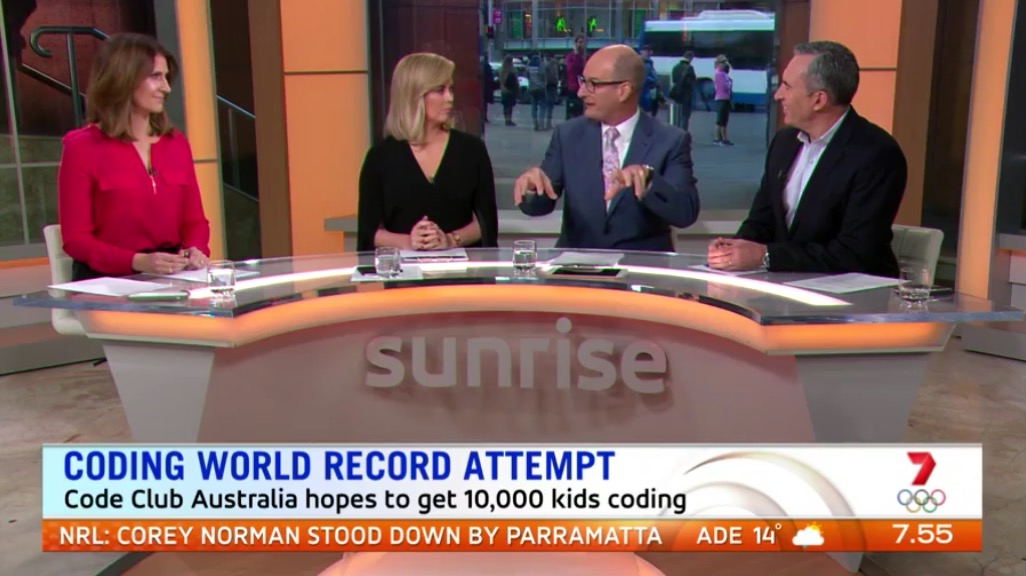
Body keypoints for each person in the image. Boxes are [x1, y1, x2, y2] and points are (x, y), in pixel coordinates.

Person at [707, 41, 907, 276]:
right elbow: (762, 220)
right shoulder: (784, 142)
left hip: (852, 290)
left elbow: (854, 253)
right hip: (786, 283)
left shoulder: (876, 154)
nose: (778, 95)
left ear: (818, 100)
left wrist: (766, 256)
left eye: (787, 86)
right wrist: (733, 249)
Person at [513, 45, 699, 252]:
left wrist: (648, 181)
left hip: (641, 265)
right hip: (578, 264)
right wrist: (531, 189)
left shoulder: (670, 141)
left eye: (592, 84)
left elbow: (685, 214)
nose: (581, 92)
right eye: (583, 82)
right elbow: (540, 205)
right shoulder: (567, 135)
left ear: (623, 90)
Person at [58, 33, 210, 280]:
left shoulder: (176, 144)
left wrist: (196, 248)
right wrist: (137, 262)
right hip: (106, 281)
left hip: (170, 276)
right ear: (124, 79)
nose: (166, 88)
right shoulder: (82, 147)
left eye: (166, 77)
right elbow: (76, 240)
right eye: (155, 76)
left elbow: (195, 222)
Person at [357, 53, 498, 252]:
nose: (450, 98)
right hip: (403, 269)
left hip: (461, 269)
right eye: (440, 90)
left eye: (451, 89)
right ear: (414, 95)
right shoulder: (380, 158)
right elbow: (368, 232)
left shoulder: (471, 150)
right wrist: (408, 241)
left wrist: (450, 240)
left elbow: (487, 223)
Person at [669, 51, 696, 132]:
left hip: (677, 94)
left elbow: (674, 80)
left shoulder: (675, 67)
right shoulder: (690, 68)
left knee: (677, 114)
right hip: (686, 94)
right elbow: (692, 82)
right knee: (685, 115)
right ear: (690, 58)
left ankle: (675, 131)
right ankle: (683, 132)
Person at [564, 36, 586, 119]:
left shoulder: (583, 57)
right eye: (580, 42)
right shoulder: (570, 57)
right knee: (572, 110)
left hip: (581, 87)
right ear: (575, 44)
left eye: (583, 42)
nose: (582, 45)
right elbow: (570, 68)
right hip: (572, 87)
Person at [713, 55, 733, 145]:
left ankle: (724, 138)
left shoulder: (723, 73)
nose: (725, 64)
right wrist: (729, 83)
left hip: (725, 98)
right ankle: (717, 138)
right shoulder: (719, 74)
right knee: (720, 119)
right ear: (719, 64)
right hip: (721, 98)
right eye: (723, 63)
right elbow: (724, 86)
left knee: (724, 120)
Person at [639, 45, 660, 117]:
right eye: (647, 51)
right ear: (641, 52)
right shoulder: (640, 63)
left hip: (650, 91)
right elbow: (643, 77)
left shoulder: (649, 62)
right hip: (643, 92)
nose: (649, 53)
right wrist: (653, 81)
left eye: (649, 51)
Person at [499, 55, 518, 126]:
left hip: (504, 89)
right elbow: (516, 79)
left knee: (506, 105)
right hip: (510, 90)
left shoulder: (502, 69)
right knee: (509, 105)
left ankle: (507, 119)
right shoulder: (512, 69)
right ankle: (509, 119)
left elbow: (500, 79)